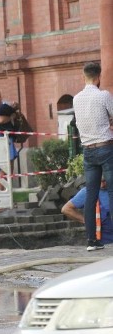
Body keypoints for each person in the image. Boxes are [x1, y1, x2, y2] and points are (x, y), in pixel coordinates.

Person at [73, 61, 113, 251]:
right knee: (112, 191)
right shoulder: (104, 95)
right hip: (105, 147)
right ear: (99, 77)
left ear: (84, 76)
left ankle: (91, 240)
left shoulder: (76, 98)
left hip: (87, 150)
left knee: (91, 194)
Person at [62, 180, 113, 246]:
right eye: (100, 181)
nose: (102, 185)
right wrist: (88, 221)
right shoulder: (88, 192)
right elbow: (66, 209)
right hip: (103, 240)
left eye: (105, 181)